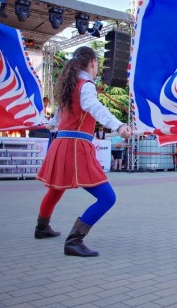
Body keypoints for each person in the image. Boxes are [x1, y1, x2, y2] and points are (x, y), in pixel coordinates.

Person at [34, 46, 132, 257]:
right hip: (76, 147)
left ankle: (42, 227)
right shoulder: (85, 85)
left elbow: (59, 115)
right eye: (97, 65)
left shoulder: (69, 85)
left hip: (61, 144)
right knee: (107, 198)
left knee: (56, 188)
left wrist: (50, 124)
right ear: (93, 63)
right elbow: (94, 107)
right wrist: (119, 126)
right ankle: (74, 240)